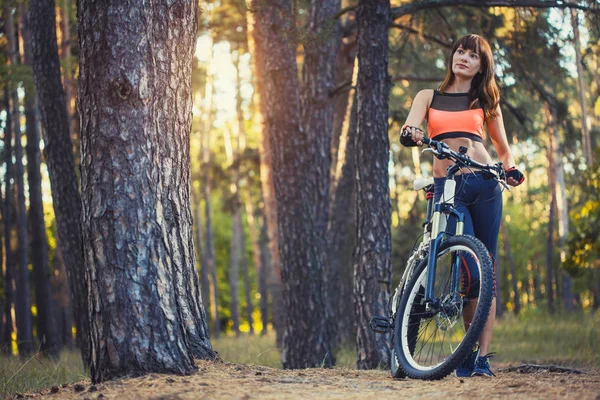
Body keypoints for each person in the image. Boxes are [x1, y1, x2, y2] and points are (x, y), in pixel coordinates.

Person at [399, 34, 524, 377]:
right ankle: (464, 351)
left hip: (484, 184)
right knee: (468, 270)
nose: (464, 58)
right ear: (452, 57)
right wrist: (411, 133)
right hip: (447, 185)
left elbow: (503, 150)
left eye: (473, 55)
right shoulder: (429, 96)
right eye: (460, 51)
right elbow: (409, 126)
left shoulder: (485, 101)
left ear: (482, 66)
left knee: (487, 271)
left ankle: (480, 358)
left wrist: (511, 170)